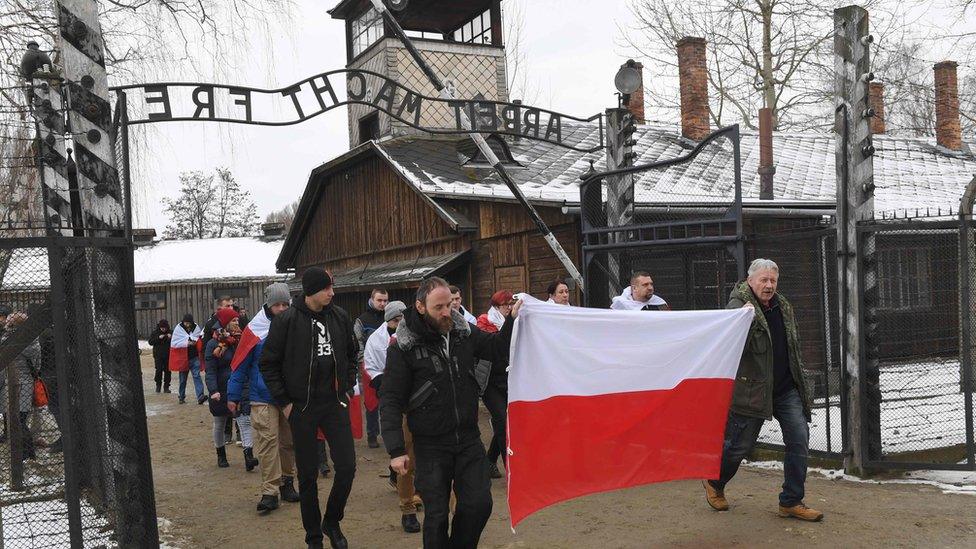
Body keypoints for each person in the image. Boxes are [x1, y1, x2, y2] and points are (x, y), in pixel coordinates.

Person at [380, 277, 520, 548]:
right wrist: (396, 450)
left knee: (479, 504)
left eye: (449, 306)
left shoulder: (462, 331)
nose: (447, 312)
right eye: (439, 307)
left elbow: (497, 349)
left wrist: (513, 319)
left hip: (468, 438)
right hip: (431, 444)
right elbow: (390, 400)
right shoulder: (403, 347)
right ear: (421, 307)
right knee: (437, 516)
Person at [702, 258, 823, 522]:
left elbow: (792, 345)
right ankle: (715, 482)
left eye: (773, 280)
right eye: (763, 280)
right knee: (738, 447)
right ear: (750, 281)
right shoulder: (737, 307)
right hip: (752, 390)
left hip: (785, 388)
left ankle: (791, 501)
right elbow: (732, 349)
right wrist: (741, 322)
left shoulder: (783, 304)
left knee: (799, 440)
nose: (769, 285)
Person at [259, 267, 359, 549]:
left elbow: (353, 353)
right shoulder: (287, 320)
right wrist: (285, 403)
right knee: (307, 475)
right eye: (327, 288)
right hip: (301, 407)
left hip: (334, 403)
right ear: (312, 291)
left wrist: (347, 387)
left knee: (348, 467)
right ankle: (313, 536)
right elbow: (268, 364)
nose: (332, 292)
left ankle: (332, 521)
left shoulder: (339, 316)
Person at [228, 282, 301, 513]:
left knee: (288, 442)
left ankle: (287, 482)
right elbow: (241, 364)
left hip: (289, 395)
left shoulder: (296, 325)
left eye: (284, 304)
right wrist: (233, 394)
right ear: (268, 304)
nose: (281, 308)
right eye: (277, 304)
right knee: (268, 442)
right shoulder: (254, 329)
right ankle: (270, 491)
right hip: (262, 395)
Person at [363, 300, 421, 534]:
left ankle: (421, 495)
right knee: (405, 456)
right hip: (398, 403)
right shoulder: (377, 340)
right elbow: (372, 366)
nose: (399, 324)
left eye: (401, 319)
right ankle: (407, 508)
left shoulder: (418, 335)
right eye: (395, 320)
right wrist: (384, 388)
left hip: (424, 405)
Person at [205, 308, 257, 471]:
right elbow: (211, 370)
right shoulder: (213, 344)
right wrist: (213, 390)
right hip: (221, 388)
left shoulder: (242, 340)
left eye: (237, 320)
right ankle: (221, 454)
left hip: (241, 387)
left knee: (245, 420)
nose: (237, 323)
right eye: (233, 321)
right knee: (220, 422)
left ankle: (249, 456)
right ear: (225, 323)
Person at [475, 290, 515, 479]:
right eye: (505, 304)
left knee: (505, 423)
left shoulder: (515, 322)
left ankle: (489, 460)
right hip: (490, 381)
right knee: (501, 420)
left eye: (510, 304)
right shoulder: (485, 322)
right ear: (497, 306)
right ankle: (511, 470)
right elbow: (495, 344)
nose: (509, 307)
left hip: (508, 379)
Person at [0, 312, 40, 460]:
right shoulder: (34, 341)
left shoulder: (6, 341)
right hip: (26, 384)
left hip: (10, 385)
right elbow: (37, 365)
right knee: (21, 419)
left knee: (16, 421)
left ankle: (26, 452)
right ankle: (27, 452)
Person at [354, 288, 388, 449]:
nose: (382, 304)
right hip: (369, 366)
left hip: (389, 365)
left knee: (388, 401)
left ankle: (389, 434)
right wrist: (363, 361)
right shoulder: (362, 320)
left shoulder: (390, 318)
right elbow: (358, 341)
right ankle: (372, 434)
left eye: (385, 301)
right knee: (371, 402)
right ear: (372, 300)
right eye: (379, 300)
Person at [172, 314, 207, 405]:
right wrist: (187, 343)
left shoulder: (196, 328)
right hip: (183, 358)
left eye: (189, 323)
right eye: (186, 323)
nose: (187, 325)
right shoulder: (178, 329)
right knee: (183, 379)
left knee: (197, 376)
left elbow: (199, 338)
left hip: (194, 357)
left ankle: (200, 396)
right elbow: (174, 343)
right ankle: (181, 396)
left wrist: (195, 342)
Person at [148, 319, 172, 393]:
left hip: (168, 355)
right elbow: (150, 342)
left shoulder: (170, 332)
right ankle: (158, 385)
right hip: (158, 355)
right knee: (158, 370)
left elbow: (175, 342)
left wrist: (171, 337)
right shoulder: (155, 333)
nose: (163, 329)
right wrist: (158, 338)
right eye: (162, 328)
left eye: (165, 328)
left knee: (167, 371)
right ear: (159, 327)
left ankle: (166, 386)